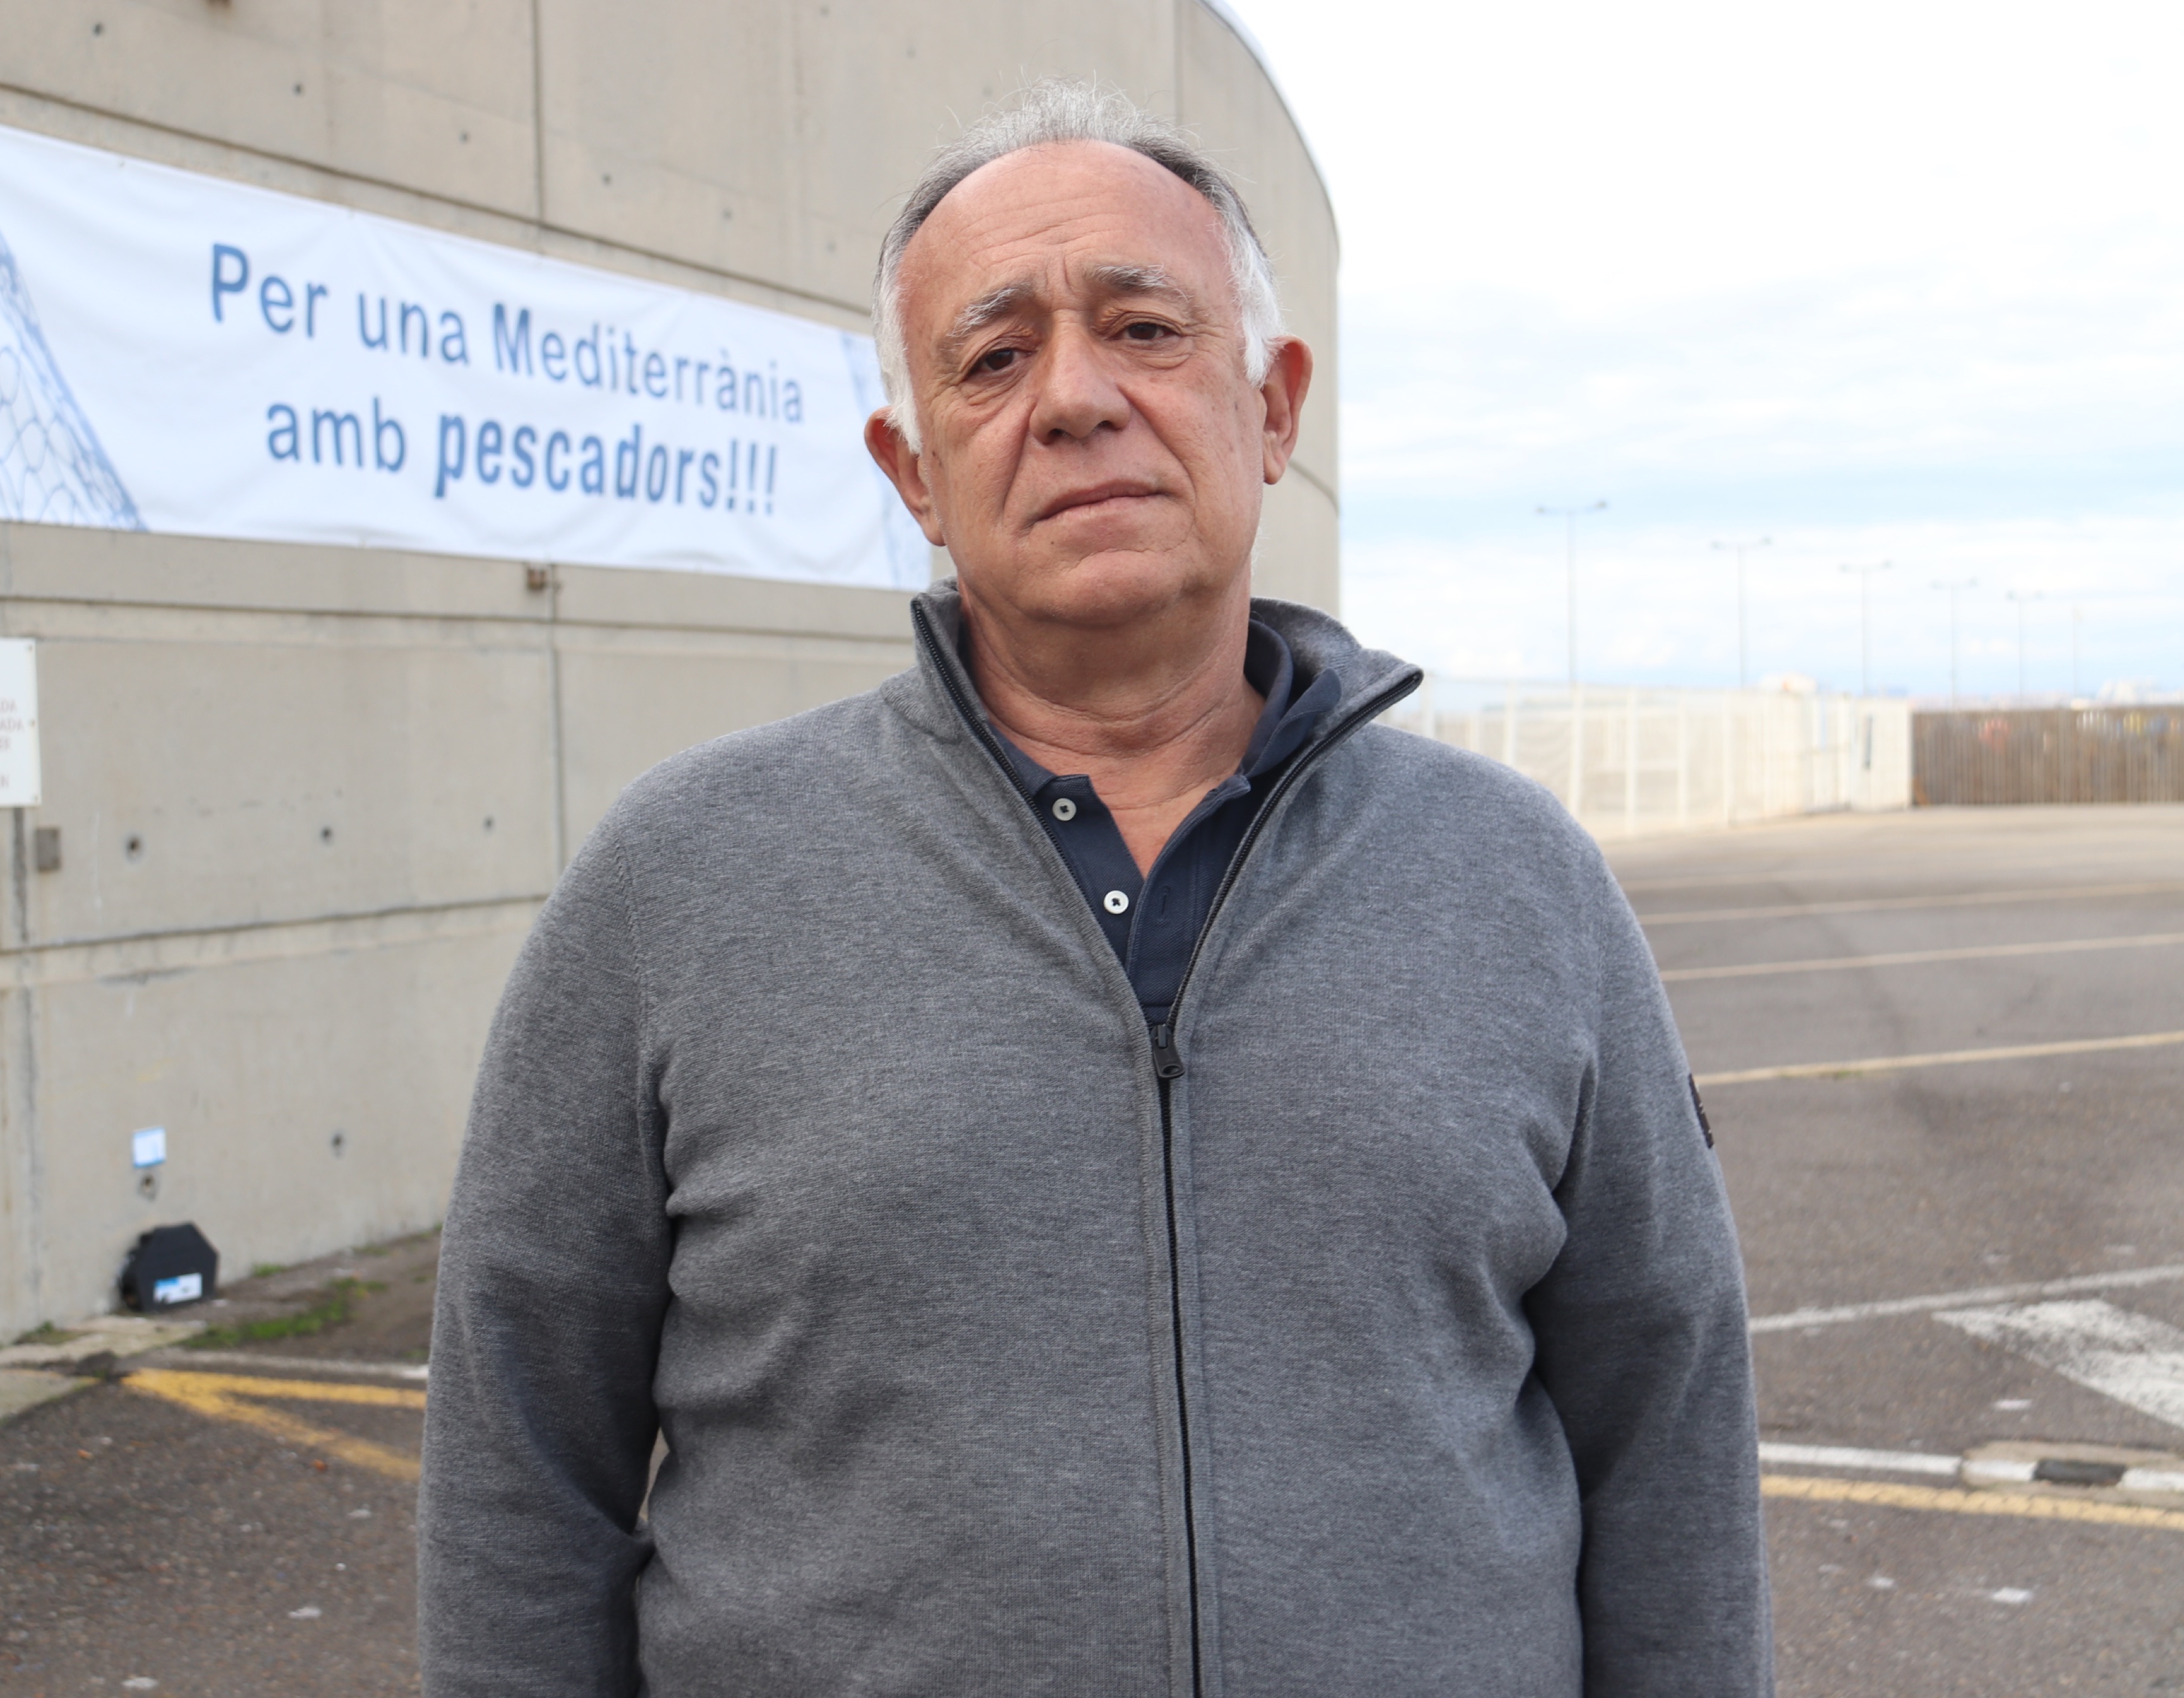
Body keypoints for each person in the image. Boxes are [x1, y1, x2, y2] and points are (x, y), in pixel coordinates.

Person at [419, 80, 1769, 1697]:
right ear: (912, 472)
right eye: (991, 359)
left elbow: (1666, 1420)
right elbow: (520, 1468)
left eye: (1145, 328)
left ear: (1272, 408)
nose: (1073, 399)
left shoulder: (1519, 881)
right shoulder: (678, 883)